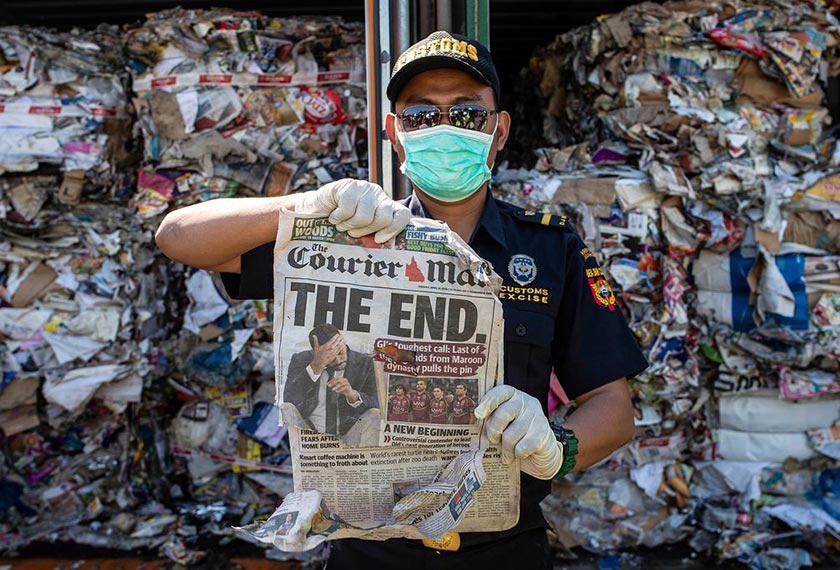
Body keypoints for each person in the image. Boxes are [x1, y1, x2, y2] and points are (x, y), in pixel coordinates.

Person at [155, 30, 647, 570]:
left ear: (499, 130)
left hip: (504, 549)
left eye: (466, 114)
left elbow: (613, 408)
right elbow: (178, 236)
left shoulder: (550, 249)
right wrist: (308, 206)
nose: (443, 128)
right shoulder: (344, 233)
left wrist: (557, 447)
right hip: (368, 551)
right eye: (420, 115)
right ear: (394, 132)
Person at [285, 323, 379, 438]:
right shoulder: (301, 360)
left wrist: (353, 395)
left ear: (343, 343)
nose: (338, 360)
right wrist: (316, 366)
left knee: (375, 414)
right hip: (311, 433)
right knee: (287, 408)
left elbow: (378, 405)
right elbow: (289, 401)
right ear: (315, 353)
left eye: (340, 352)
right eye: (329, 356)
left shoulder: (365, 363)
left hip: (351, 435)